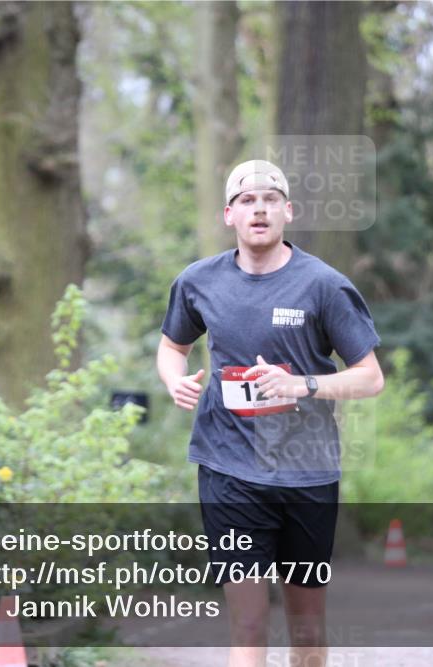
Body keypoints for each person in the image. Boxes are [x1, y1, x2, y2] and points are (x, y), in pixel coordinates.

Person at [156, 159, 384, 666]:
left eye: (269, 200)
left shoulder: (324, 286)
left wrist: (300, 384)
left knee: (305, 629)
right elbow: (173, 346)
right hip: (227, 468)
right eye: (246, 201)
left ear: (288, 211)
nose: (258, 209)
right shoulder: (198, 282)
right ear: (229, 215)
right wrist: (176, 381)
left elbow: (370, 377)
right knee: (249, 624)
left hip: (307, 471)